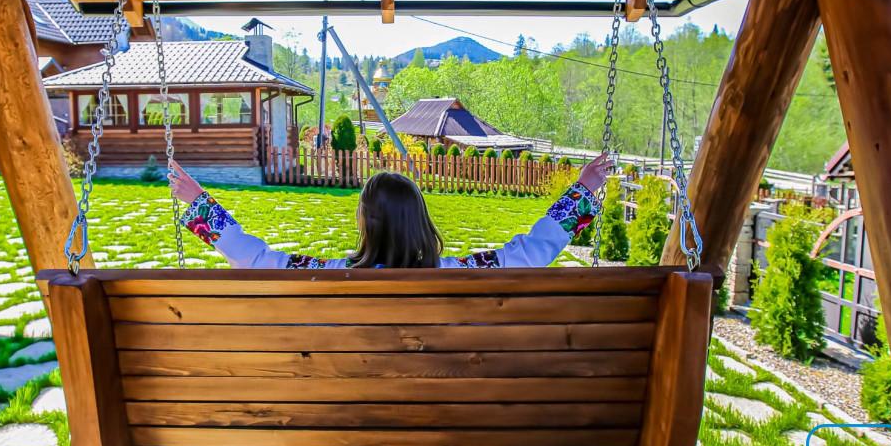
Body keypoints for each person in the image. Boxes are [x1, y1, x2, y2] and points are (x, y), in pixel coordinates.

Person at [168, 153, 611, 269]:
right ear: (421, 220)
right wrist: (582, 191)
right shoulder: (464, 273)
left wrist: (199, 203)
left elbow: (254, 258)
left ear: (364, 222)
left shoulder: (326, 273)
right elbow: (533, 252)